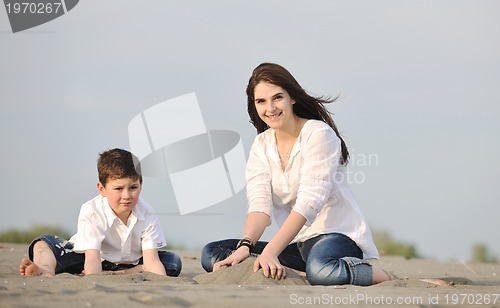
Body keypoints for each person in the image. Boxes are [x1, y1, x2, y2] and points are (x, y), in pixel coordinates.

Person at [200, 62, 395, 286]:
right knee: (213, 253)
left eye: (277, 97)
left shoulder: (318, 134)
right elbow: (259, 206)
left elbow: (308, 203)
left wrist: (270, 251)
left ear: (292, 97)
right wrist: (246, 246)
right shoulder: (261, 145)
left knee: (322, 270)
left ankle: (389, 277)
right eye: (261, 101)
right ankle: (299, 273)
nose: (270, 108)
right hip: (297, 243)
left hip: (336, 237)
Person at [19, 148, 182, 277]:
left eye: (133, 187)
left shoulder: (147, 213)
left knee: (172, 262)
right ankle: (45, 270)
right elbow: (91, 259)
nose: (126, 196)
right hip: (92, 257)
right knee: (44, 243)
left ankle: (120, 272)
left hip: (131, 261)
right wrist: (94, 275)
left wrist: (152, 272)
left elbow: (152, 261)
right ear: (102, 189)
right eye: (118, 189)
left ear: (141, 184)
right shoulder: (92, 211)